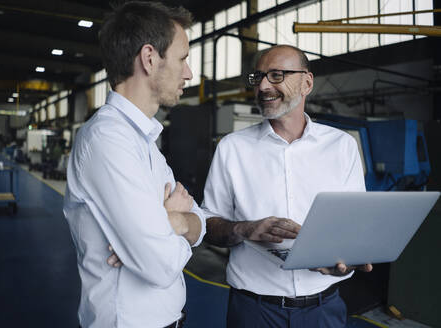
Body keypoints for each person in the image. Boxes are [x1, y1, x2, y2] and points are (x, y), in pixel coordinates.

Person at [201, 45, 372, 328]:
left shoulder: (342, 146)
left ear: (307, 82)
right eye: (259, 78)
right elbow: (207, 226)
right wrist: (244, 229)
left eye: (277, 75)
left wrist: (344, 262)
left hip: (323, 308)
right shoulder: (232, 148)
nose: (264, 86)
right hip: (254, 310)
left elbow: (354, 225)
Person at [63, 2, 206, 327]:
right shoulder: (107, 140)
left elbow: (200, 223)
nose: (189, 72)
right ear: (149, 58)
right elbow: (158, 265)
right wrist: (173, 224)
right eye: (182, 58)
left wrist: (172, 223)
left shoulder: (145, 142)